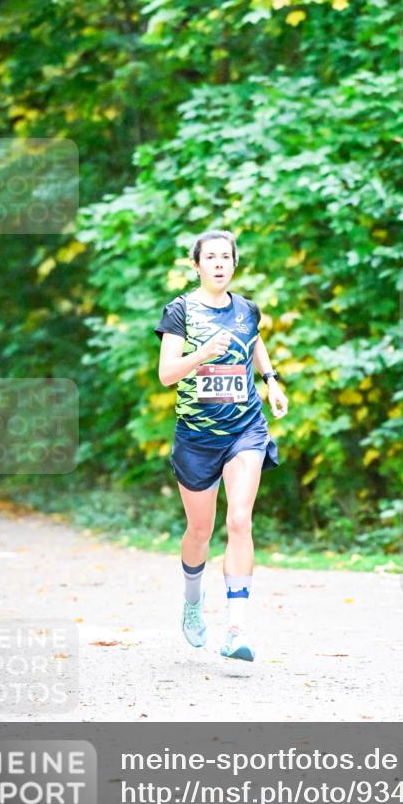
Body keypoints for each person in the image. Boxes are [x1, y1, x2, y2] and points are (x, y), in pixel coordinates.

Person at [154, 229, 289, 662]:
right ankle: (193, 603)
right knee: (200, 531)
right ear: (196, 265)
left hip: (245, 428)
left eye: (225, 257)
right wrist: (204, 353)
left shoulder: (247, 308)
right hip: (196, 437)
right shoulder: (180, 311)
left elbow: (255, 341)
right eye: (209, 257)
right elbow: (167, 374)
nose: (218, 264)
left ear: (233, 263)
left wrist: (271, 381)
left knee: (240, 521)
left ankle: (236, 630)